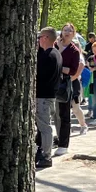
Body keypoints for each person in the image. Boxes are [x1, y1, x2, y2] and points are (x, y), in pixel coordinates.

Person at [54, 24, 83, 155]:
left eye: (70, 31)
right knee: (51, 114)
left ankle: (63, 144)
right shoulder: (54, 45)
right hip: (51, 82)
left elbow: (73, 70)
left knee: (64, 114)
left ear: (73, 34)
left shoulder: (74, 50)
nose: (67, 32)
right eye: (65, 30)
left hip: (64, 85)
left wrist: (60, 66)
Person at [36, 28, 61, 169]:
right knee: (43, 126)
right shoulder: (56, 53)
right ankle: (42, 151)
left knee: (45, 127)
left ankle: (46, 155)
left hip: (43, 96)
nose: (38, 40)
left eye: (40, 37)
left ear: (45, 38)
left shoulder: (48, 56)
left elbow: (39, 74)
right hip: (49, 96)